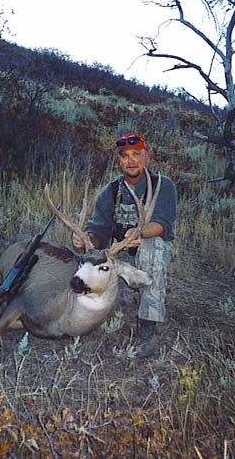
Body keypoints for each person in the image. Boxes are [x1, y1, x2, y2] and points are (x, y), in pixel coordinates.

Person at [72, 132, 177, 358]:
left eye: (136, 154)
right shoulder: (110, 191)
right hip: (121, 256)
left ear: (146, 157)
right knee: (91, 261)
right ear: (119, 160)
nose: (131, 160)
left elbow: (162, 224)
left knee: (152, 247)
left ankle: (149, 324)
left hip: (153, 251)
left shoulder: (162, 185)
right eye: (125, 156)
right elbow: (99, 229)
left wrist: (139, 232)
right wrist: (87, 239)